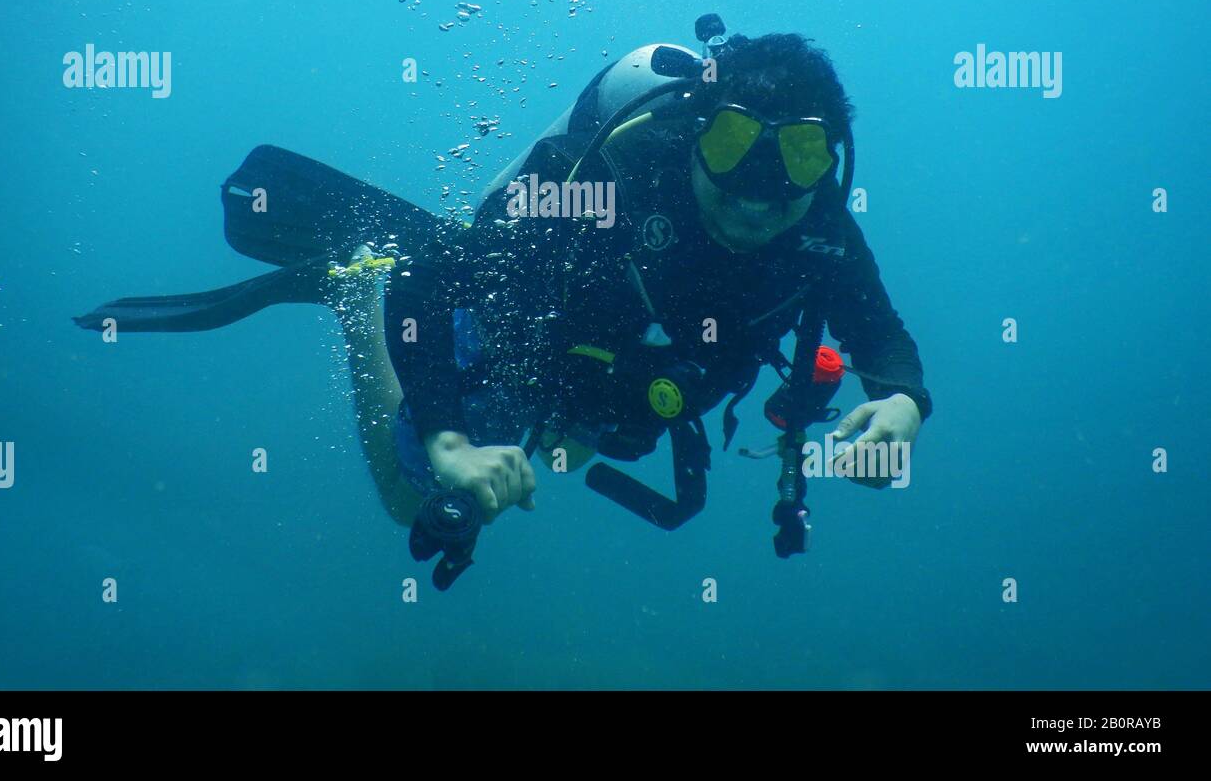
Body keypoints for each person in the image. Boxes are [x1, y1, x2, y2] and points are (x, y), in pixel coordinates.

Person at [358, 27, 932, 533]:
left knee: (568, 448)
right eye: (732, 152)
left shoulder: (820, 225)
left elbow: (879, 332)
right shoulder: (606, 180)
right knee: (410, 502)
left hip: (631, 381)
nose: (756, 204)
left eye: (801, 158)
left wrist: (903, 401)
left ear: (827, 159)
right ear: (696, 140)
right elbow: (423, 277)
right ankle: (356, 299)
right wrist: (450, 443)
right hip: (525, 339)